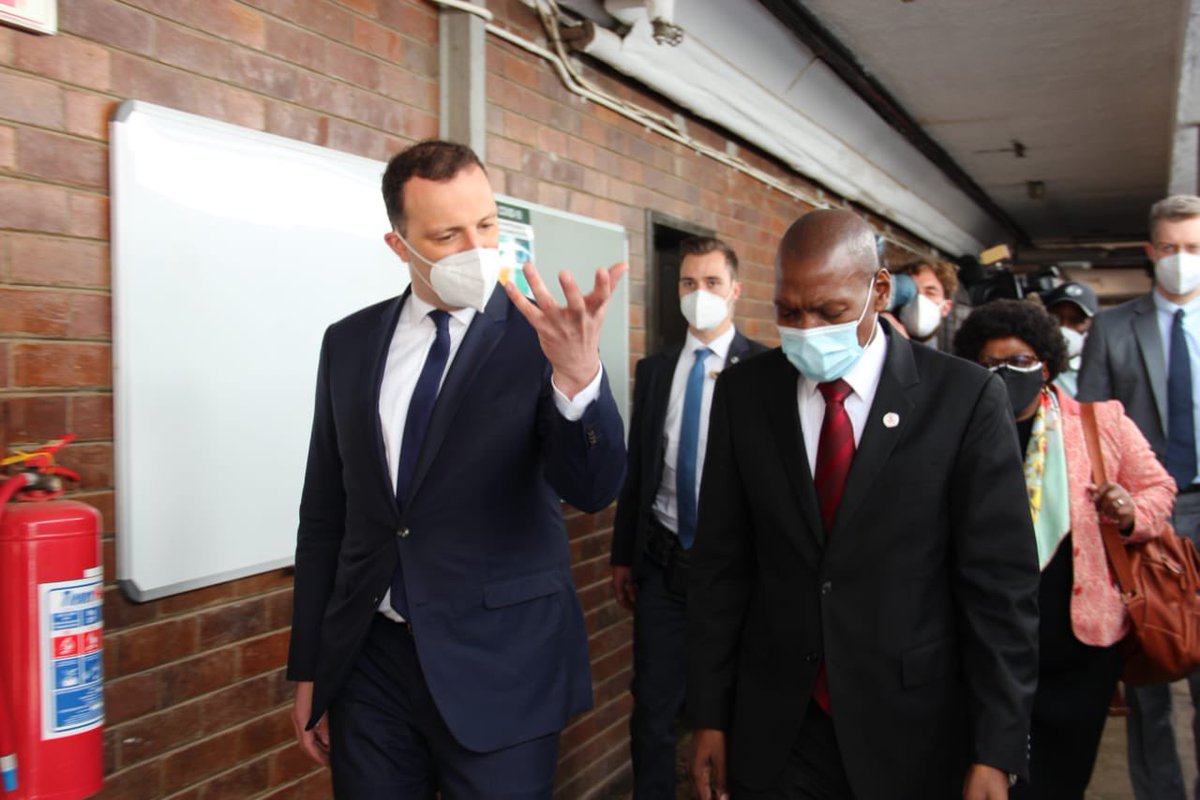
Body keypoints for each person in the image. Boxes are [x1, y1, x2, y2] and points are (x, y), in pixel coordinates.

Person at [286, 140, 628, 798]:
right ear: (400, 245)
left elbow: (595, 489)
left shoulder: (545, 337)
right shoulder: (350, 344)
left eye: (487, 225)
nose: (476, 247)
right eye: (447, 235)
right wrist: (312, 669)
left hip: (503, 665)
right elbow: (325, 517)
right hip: (370, 668)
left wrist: (580, 377)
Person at [687, 208, 1040, 800]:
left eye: (830, 312)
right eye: (787, 311)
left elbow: (1000, 588)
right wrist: (709, 713)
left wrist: (996, 747)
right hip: (779, 726)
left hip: (913, 728)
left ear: (878, 289)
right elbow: (722, 567)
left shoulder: (964, 399)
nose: (806, 329)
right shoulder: (746, 395)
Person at [954, 299, 1176, 799]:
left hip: (1079, 649)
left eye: (1020, 362)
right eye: (990, 365)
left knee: (1060, 779)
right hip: (985, 647)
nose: (1006, 374)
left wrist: (1127, 510)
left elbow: (1159, 490)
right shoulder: (961, 429)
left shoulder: (1100, 423)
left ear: (1047, 365)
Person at [610, 236, 767, 797]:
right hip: (664, 562)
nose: (699, 294)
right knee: (652, 704)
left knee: (735, 702)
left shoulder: (766, 370)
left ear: (736, 291)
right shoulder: (655, 371)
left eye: (712, 283)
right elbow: (639, 467)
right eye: (688, 283)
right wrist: (623, 555)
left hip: (739, 569)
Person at [1078, 193, 1200, 800]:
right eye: (1172, 248)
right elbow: (1092, 424)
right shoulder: (1114, 327)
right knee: (1149, 666)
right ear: (1153, 252)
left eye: (1194, 248)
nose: (1183, 260)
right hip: (1140, 519)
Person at [1041, 281, 1098, 397]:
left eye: (1076, 320)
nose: (1064, 327)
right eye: (1056, 319)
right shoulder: (1033, 364)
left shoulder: (1100, 368)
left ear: (1091, 324)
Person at [891, 258, 958, 345]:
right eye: (911, 291)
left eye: (930, 293)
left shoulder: (935, 357)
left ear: (946, 308)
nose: (919, 299)